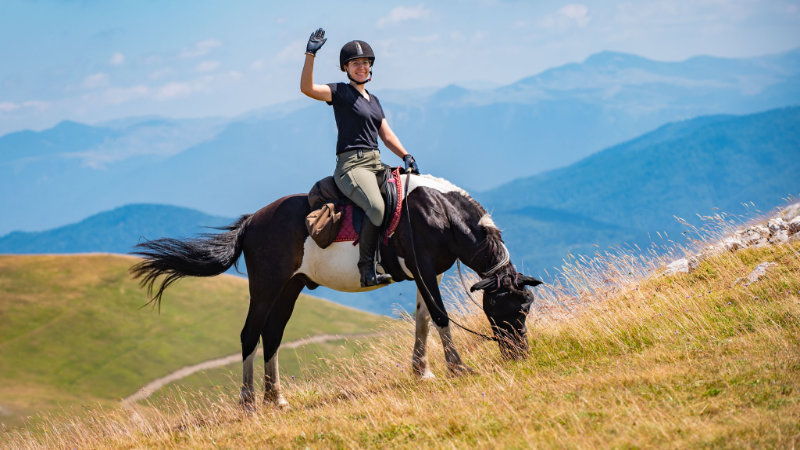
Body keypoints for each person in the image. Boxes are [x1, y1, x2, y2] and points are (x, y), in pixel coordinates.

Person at [300, 28, 420, 288]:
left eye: (365, 63)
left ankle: (395, 258)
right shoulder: (340, 93)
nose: (361, 67)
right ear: (346, 68)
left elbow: (386, 135)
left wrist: (406, 155)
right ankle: (366, 268)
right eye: (356, 63)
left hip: (376, 163)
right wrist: (310, 54)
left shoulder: (374, 100)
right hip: (351, 166)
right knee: (376, 207)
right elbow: (307, 88)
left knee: (406, 202)